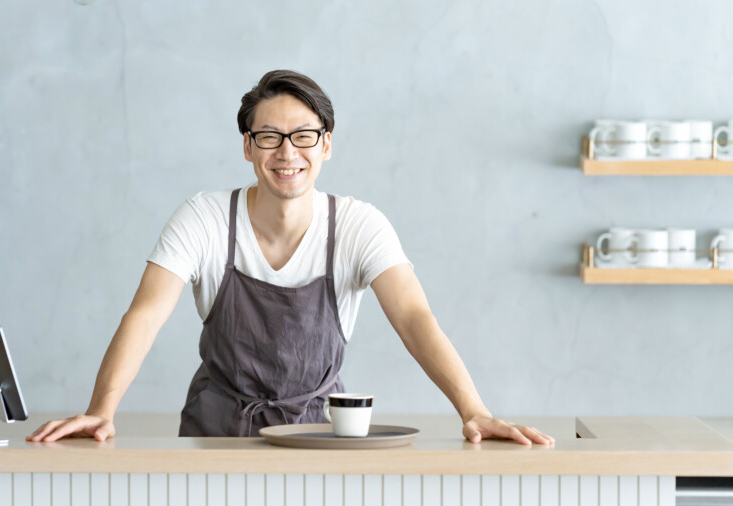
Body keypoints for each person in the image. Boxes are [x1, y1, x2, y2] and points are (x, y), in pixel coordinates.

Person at [28, 70, 554, 445]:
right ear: (247, 146)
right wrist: (102, 410)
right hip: (215, 440)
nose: (287, 153)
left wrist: (475, 412)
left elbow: (416, 319)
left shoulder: (356, 224)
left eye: (303, 136)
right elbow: (144, 316)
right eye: (269, 137)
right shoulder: (204, 218)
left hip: (322, 438)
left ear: (326, 145)